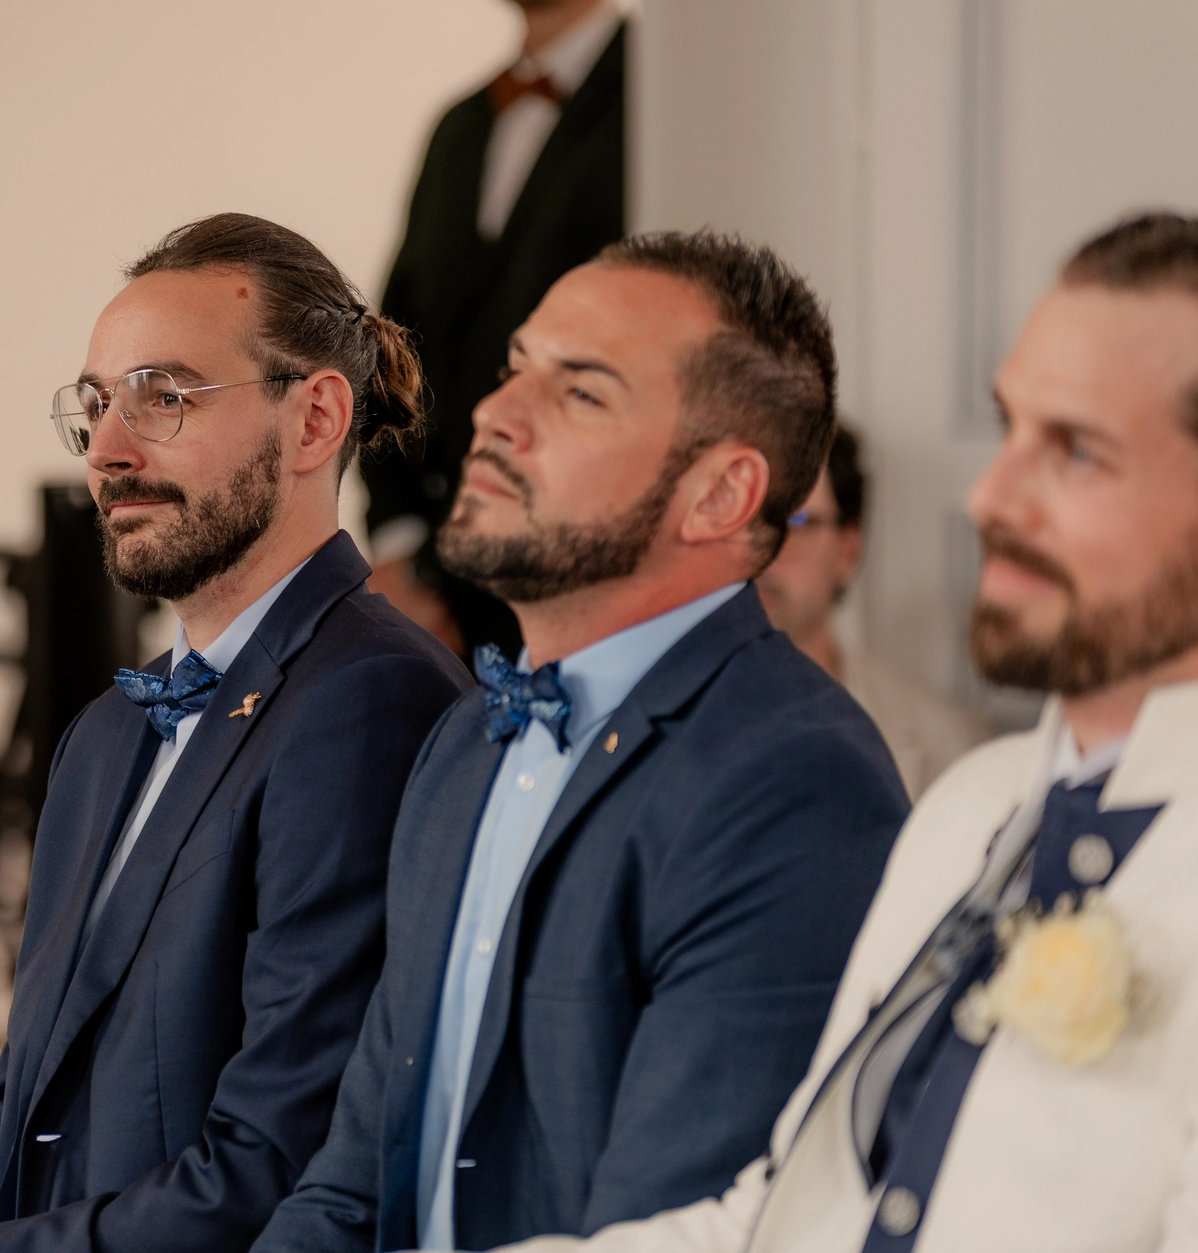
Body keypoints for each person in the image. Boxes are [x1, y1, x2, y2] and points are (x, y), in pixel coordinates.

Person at [0, 214, 472, 1253]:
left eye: (165, 396)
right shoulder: (108, 727)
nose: (108, 453)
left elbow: (270, 1168)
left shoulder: (370, 701)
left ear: (312, 420)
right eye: (96, 405)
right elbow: (12, 1124)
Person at [488, 212, 1198, 1252]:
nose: (988, 496)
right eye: (1007, 429)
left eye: (1076, 452)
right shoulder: (969, 807)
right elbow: (783, 1215)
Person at [252, 230, 909, 1253]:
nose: (492, 412)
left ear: (719, 494)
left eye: (580, 392)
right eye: (515, 368)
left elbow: (671, 1226)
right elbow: (349, 1176)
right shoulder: (465, 736)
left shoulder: (794, 779)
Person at [365, 0, 629, 660]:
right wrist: (399, 546)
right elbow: (390, 342)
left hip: (584, 569)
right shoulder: (458, 127)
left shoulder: (662, 97)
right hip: (436, 581)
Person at [757, 423, 993, 798]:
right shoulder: (650, 726)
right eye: (748, 523)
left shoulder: (945, 747)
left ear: (848, 550)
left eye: (796, 523)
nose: (763, 553)